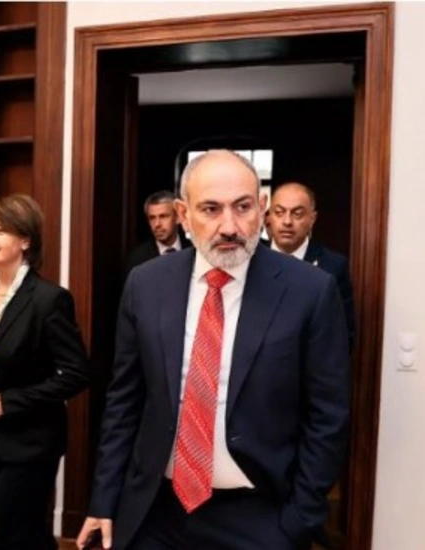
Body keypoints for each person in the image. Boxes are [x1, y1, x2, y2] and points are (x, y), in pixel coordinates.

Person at [76, 150, 350, 550]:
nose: (229, 226)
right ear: (184, 215)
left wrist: (297, 520)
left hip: (260, 516)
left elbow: (328, 415)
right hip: (155, 511)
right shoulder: (145, 284)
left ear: (261, 207)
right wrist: (104, 499)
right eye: (210, 209)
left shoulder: (310, 290)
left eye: (243, 207)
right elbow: (124, 402)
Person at [0, 194, 90, 550]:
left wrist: (11, 401)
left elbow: (76, 373)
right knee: (26, 535)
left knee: (4, 533)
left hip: (31, 441)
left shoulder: (48, 299)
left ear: (25, 240)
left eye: (0, 230)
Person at [268, 182, 356, 349]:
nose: (287, 221)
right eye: (279, 213)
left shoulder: (332, 266)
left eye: (297, 214)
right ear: (269, 217)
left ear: (312, 219)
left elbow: (342, 335)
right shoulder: (251, 259)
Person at [125, 190, 191, 274]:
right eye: (152, 218)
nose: (157, 224)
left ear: (178, 217)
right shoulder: (138, 259)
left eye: (163, 216)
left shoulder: (194, 250)